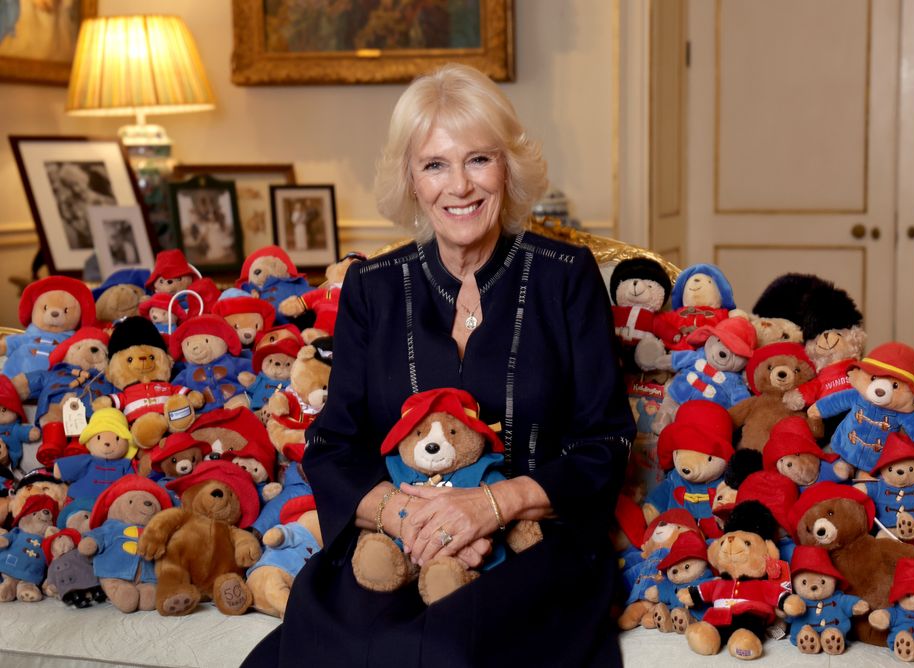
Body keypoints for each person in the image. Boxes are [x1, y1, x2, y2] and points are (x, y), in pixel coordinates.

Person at [243, 63, 635, 667]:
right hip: (395, 544)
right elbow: (333, 447)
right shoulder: (372, 287)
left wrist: (489, 506)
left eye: (479, 159)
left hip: (534, 549)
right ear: (411, 180)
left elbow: (604, 444)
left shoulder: (564, 277)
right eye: (435, 165)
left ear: (507, 167)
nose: (460, 186)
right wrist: (405, 515)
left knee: (449, 649)